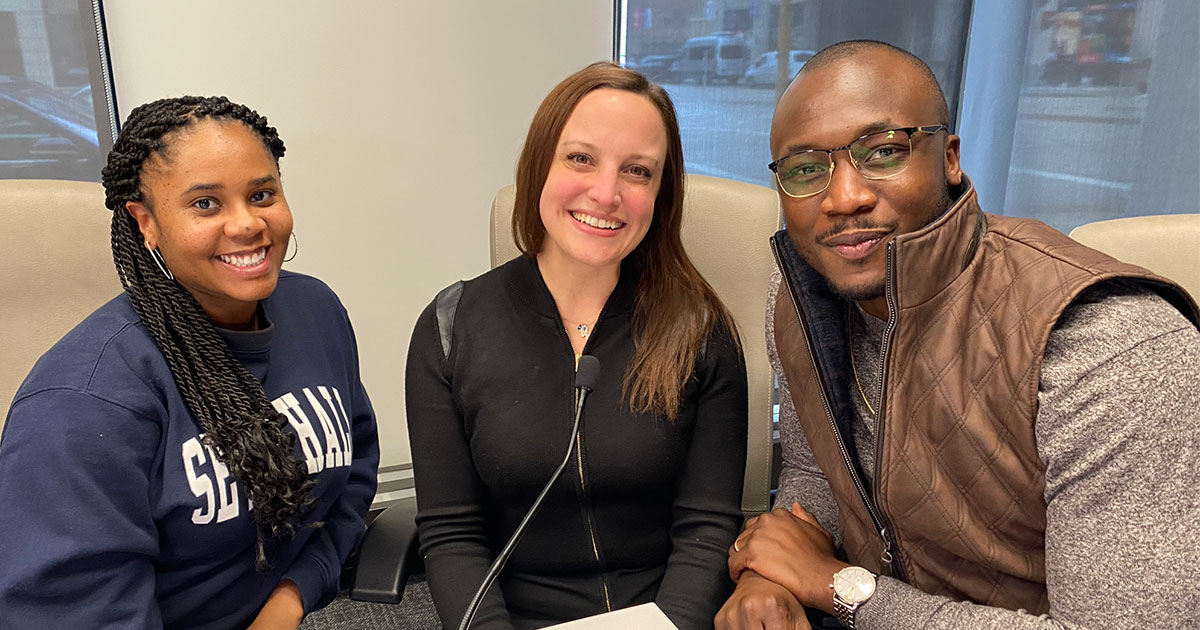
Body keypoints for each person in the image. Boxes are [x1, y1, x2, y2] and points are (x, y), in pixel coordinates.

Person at [718, 41, 1200, 629]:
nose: (844, 198)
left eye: (884, 152)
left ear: (949, 158)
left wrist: (836, 585)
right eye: (804, 170)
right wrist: (771, 576)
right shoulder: (801, 295)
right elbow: (818, 471)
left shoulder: (1113, 343)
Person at [0, 96, 379, 629]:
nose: (247, 224)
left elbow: (354, 473)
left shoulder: (315, 311)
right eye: (206, 204)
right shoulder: (81, 401)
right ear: (146, 223)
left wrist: (292, 596)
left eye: (262, 194)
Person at [406, 62, 748, 630]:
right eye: (581, 158)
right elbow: (452, 533)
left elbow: (707, 526)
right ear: (540, 164)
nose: (606, 193)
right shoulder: (450, 327)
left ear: (660, 194)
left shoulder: (700, 329)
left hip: (668, 616)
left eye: (637, 171)